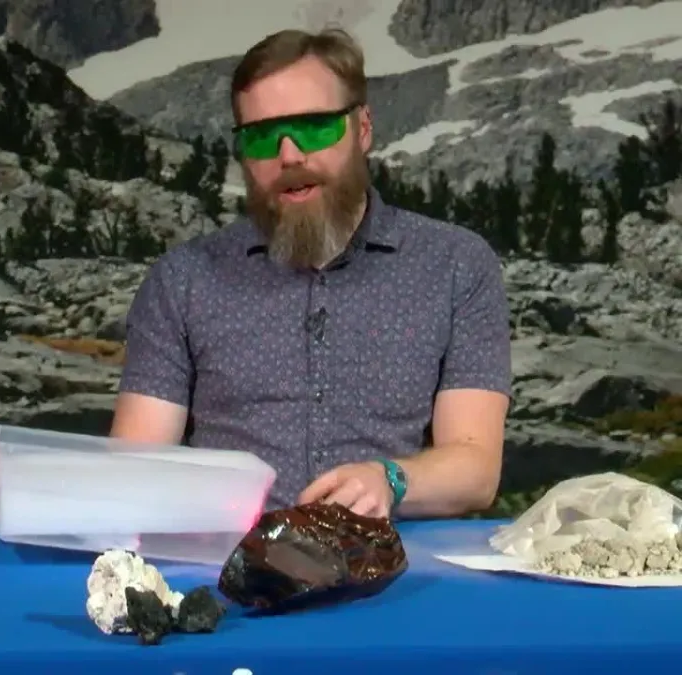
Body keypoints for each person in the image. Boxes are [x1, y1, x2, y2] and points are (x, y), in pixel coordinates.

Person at [111, 28, 512, 519]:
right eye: (261, 136)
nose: (289, 156)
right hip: (225, 571)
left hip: (391, 571)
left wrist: (389, 479)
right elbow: (136, 465)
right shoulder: (183, 279)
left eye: (314, 128)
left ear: (363, 128)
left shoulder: (455, 265)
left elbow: (475, 469)